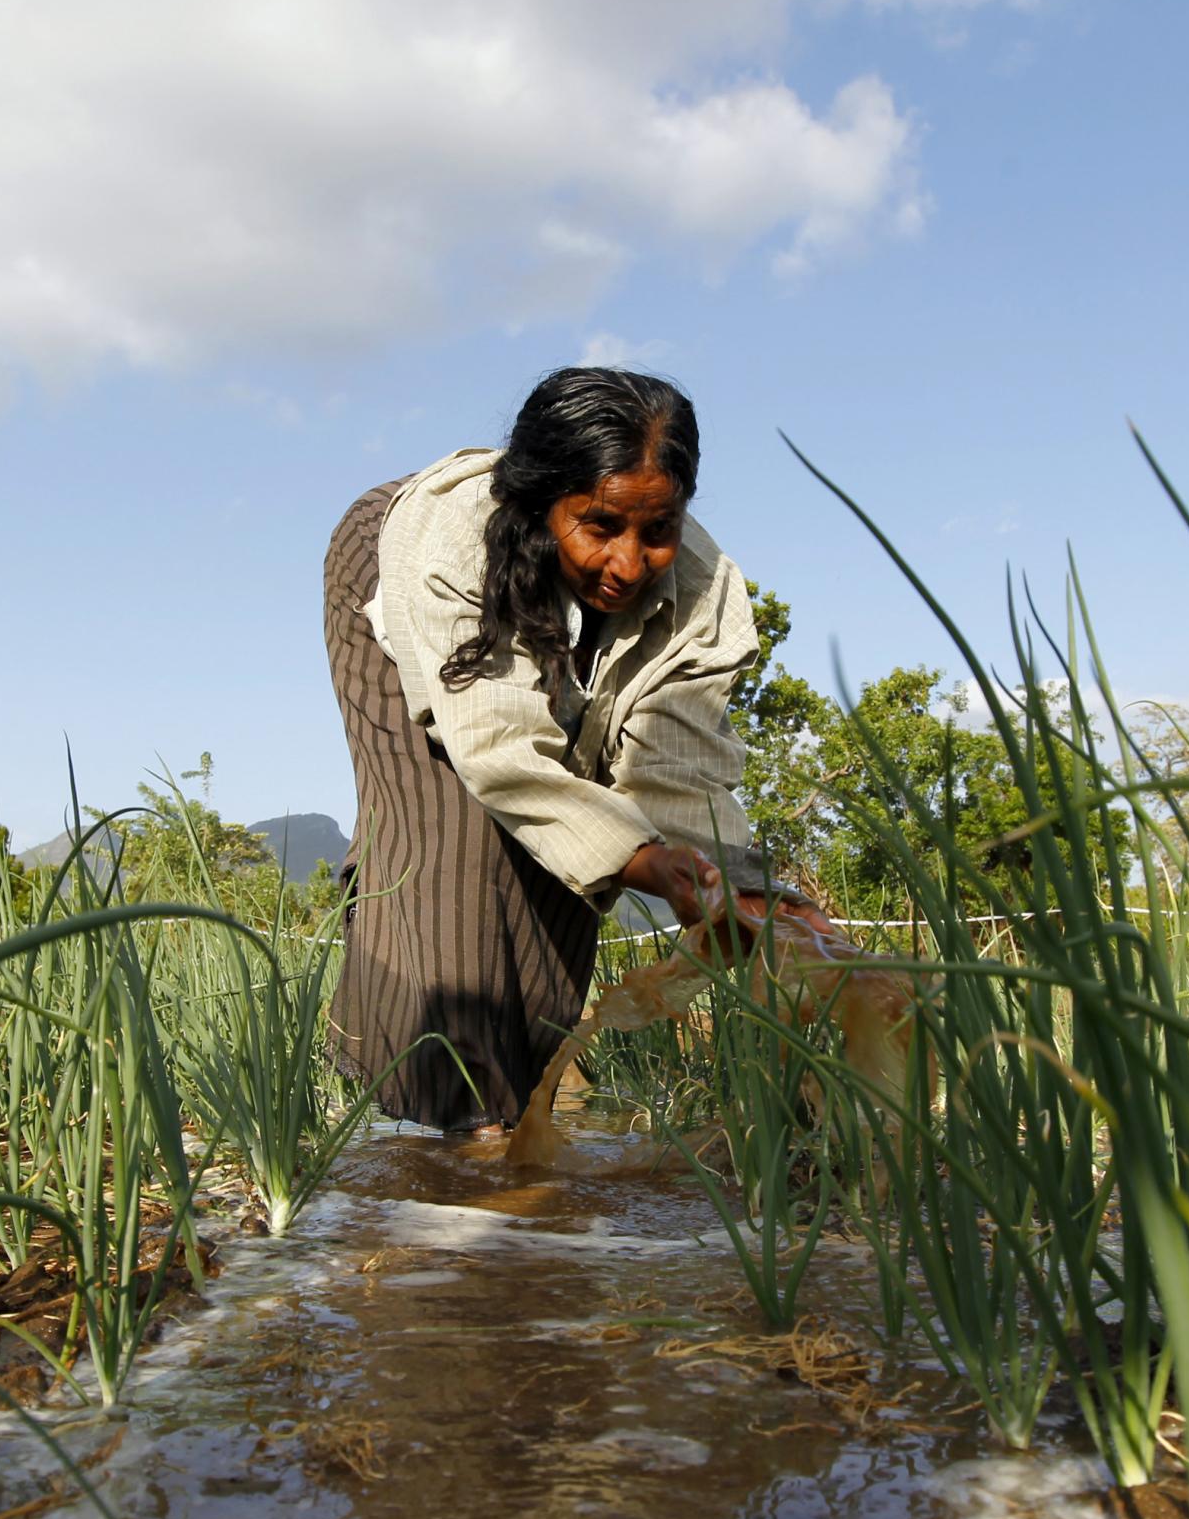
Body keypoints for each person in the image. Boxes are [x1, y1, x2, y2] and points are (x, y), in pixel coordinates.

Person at [321, 366, 831, 1132]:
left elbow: (674, 764)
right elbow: (498, 748)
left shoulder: (701, 591)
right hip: (396, 595)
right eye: (601, 526)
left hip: (526, 669)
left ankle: (513, 1126)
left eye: (658, 532)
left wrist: (735, 880)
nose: (630, 563)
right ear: (540, 502)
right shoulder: (451, 543)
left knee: (568, 886)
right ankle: (424, 1127)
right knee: (449, 836)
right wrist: (650, 863)